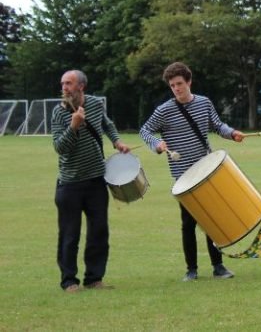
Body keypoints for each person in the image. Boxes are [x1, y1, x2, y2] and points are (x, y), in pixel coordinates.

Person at [140, 62, 244, 282]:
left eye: (179, 84)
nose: (176, 88)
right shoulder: (164, 110)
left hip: (207, 170)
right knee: (188, 223)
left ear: (189, 82)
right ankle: (191, 270)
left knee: (212, 220)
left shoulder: (204, 103)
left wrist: (232, 133)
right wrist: (157, 145)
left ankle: (218, 267)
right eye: (172, 85)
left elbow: (217, 125)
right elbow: (145, 130)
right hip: (183, 176)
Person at [52, 70, 130, 293]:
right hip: (70, 184)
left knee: (99, 232)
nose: (65, 87)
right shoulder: (59, 113)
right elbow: (59, 148)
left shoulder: (95, 104)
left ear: (81, 87)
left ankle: (94, 279)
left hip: (97, 180)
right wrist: (74, 126)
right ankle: (69, 281)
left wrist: (117, 142)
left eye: (69, 83)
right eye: (63, 83)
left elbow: (107, 124)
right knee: (70, 235)